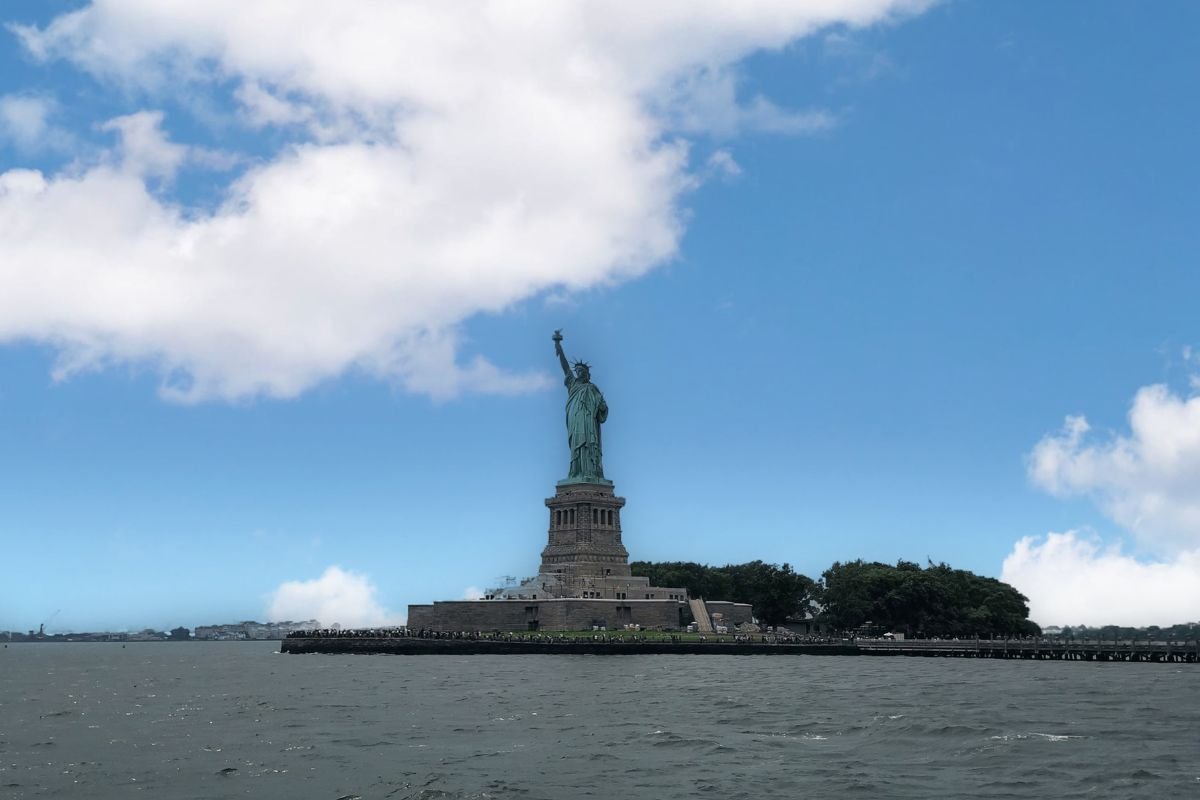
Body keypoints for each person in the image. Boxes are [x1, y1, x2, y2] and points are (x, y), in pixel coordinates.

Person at [553, 330, 608, 482]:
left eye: (582, 371)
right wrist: (558, 346)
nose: (579, 373)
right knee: (577, 445)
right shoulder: (573, 384)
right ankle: (576, 472)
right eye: (577, 371)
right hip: (576, 419)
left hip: (589, 421)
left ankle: (592, 473)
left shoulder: (593, 388)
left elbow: (603, 409)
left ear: (587, 374)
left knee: (590, 444)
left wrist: (602, 406)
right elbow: (565, 367)